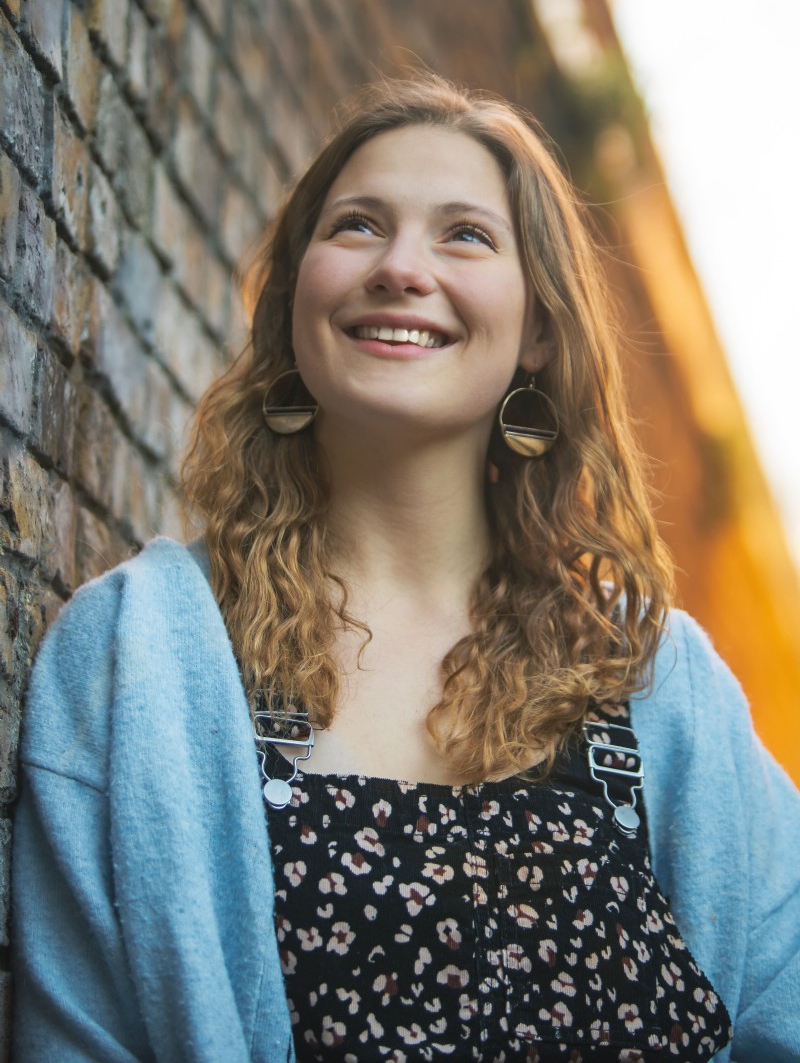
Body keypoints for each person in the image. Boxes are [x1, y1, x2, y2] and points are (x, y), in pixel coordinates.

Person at [11, 73, 800, 1062]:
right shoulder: (138, 659)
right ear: (295, 299)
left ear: (538, 329)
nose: (398, 267)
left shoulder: (650, 676)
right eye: (357, 226)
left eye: (464, 235)